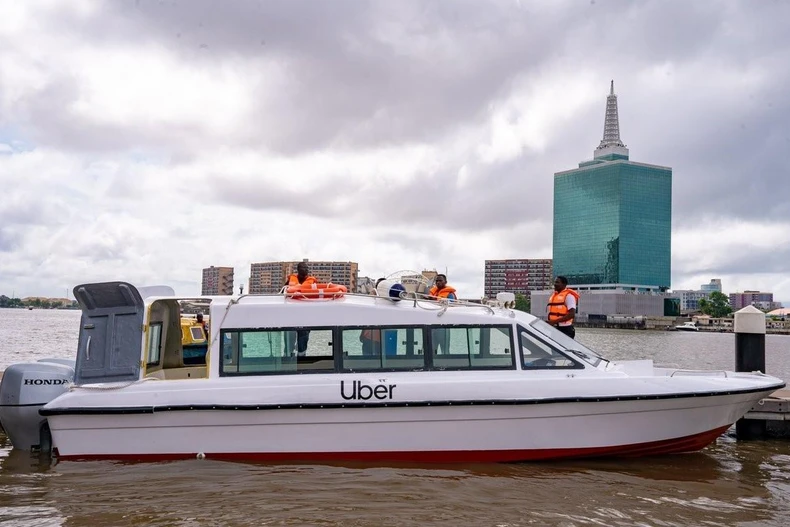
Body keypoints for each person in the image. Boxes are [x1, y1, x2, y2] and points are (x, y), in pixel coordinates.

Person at [284, 262, 316, 356]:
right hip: (291, 314)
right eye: (304, 268)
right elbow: (283, 293)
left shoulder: (312, 282)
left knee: (303, 341)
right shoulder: (290, 281)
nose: (306, 269)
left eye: (307, 268)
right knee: (289, 340)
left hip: (305, 315)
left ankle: (302, 357)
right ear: (298, 269)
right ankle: (287, 356)